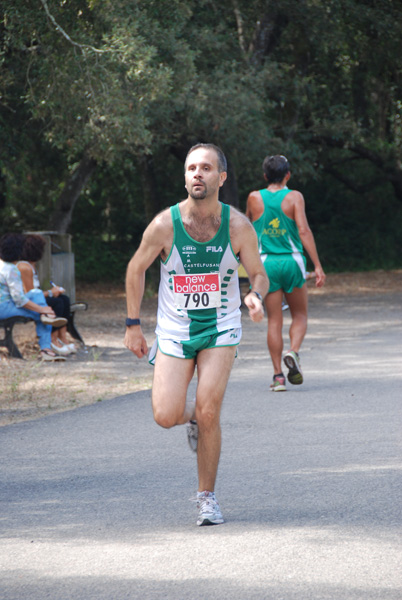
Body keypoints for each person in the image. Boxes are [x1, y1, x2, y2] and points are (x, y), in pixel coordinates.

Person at [124, 143, 268, 526]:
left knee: (209, 409)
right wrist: (132, 324)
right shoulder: (164, 225)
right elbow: (136, 268)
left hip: (221, 327)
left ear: (221, 177)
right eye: (191, 168)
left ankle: (207, 497)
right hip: (174, 329)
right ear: (185, 176)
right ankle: (190, 419)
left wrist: (255, 296)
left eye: (206, 168)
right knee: (165, 414)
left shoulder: (238, 226)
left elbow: (258, 272)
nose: (197, 174)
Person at [246, 154, 325, 392]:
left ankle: (278, 377)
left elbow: (247, 229)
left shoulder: (253, 198)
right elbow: (303, 230)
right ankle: (293, 352)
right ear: (287, 175)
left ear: (265, 176)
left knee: (274, 321)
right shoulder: (294, 197)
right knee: (300, 315)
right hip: (292, 262)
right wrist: (317, 265)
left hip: (266, 265)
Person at [0, 233, 67, 361]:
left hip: (4, 305)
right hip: (3, 308)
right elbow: (19, 300)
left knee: (36, 294)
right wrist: (42, 309)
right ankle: (46, 349)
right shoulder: (11, 270)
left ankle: (47, 322)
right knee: (40, 315)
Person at [18, 234, 76, 356]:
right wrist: (51, 292)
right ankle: (53, 339)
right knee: (57, 302)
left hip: (35, 299)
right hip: (28, 303)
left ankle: (62, 337)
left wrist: (53, 292)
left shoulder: (31, 265)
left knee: (64, 299)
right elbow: (30, 294)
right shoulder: (24, 266)